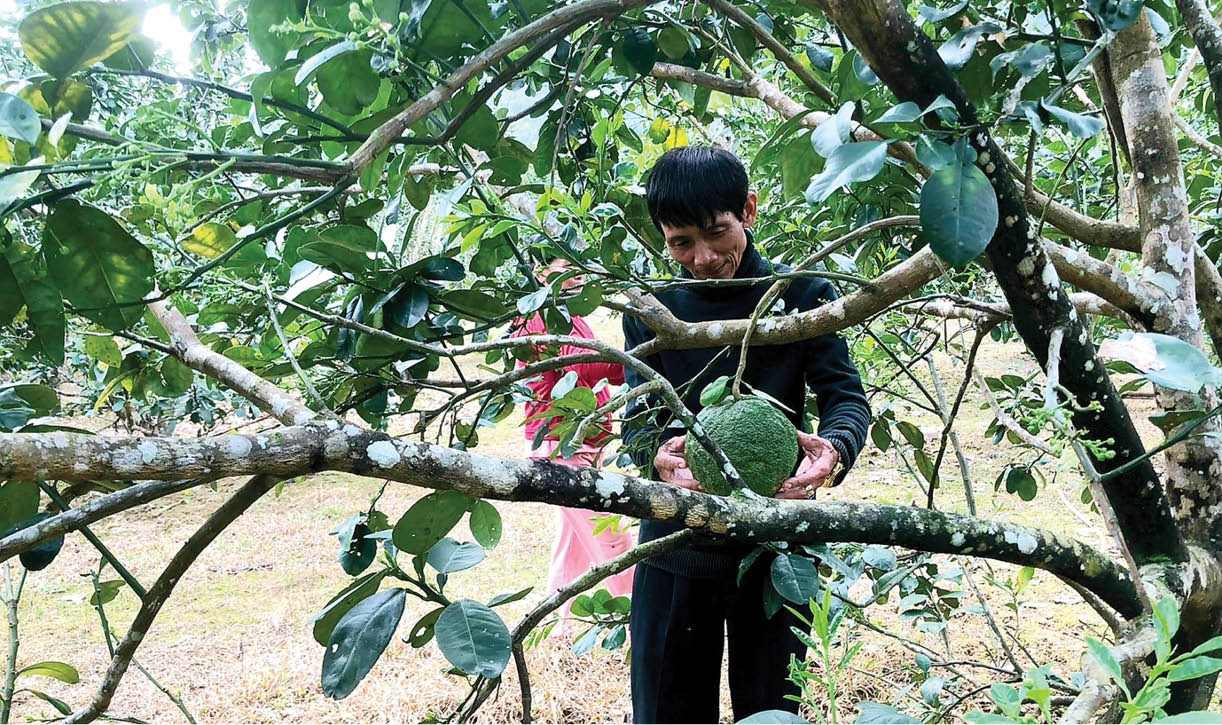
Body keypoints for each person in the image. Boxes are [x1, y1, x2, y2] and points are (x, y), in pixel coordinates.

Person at [621, 146, 871, 723]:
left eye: (717, 233)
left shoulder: (801, 296)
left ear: (749, 211)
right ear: (662, 237)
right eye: (681, 242)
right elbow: (637, 417)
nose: (704, 258)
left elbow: (845, 399)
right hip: (675, 547)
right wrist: (655, 457)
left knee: (772, 713)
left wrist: (832, 450)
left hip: (778, 547)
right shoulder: (650, 307)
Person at [511, 253, 634, 626]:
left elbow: (594, 369)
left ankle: (559, 629)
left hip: (585, 442)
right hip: (564, 446)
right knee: (611, 539)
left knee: (575, 546)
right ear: (540, 273)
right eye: (565, 271)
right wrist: (636, 356)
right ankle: (641, 619)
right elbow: (582, 365)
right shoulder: (536, 319)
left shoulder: (570, 316)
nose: (575, 278)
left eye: (577, 270)